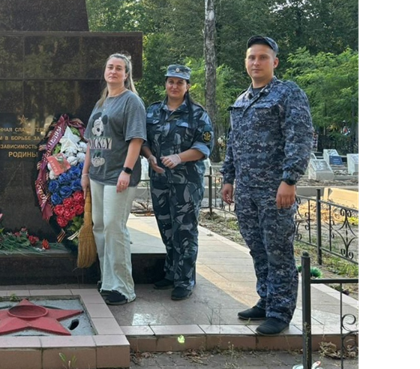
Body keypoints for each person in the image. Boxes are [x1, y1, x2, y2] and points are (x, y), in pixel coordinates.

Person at [220, 36, 313, 335]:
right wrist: (228, 178)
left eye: (262, 57)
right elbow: (233, 144)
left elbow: (299, 137)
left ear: (275, 62)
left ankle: (280, 311)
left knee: (278, 251)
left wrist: (289, 180)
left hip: (276, 191)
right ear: (246, 62)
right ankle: (266, 298)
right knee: (257, 249)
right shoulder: (242, 100)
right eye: (251, 58)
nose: (256, 63)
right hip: (246, 191)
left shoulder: (287, 93)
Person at [140, 64, 213, 301]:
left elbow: (204, 147)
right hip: (160, 180)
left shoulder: (198, 114)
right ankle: (171, 273)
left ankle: (185, 279)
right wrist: (150, 157)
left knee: (186, 231)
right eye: (171, 81)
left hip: (186, 184)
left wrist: (179, 157)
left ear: (187, 86)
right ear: (165, 84)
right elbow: (143, 141)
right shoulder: (152, 112)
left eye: (180, 82)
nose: (174, 86)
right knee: (166, 228)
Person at [81, 52, 147, 306]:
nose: (114, 71)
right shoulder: (102, 103)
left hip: (118, 175)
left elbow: (136, 139)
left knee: (114, 227)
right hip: (97, 175)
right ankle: (107, 279)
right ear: (105, 71)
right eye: (110, 67)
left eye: (119, 68)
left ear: (126, 74)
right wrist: (85, 173)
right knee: (99, 226)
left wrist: (127, 171)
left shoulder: (132, 102)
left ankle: (123, 286)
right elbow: (91, 142)